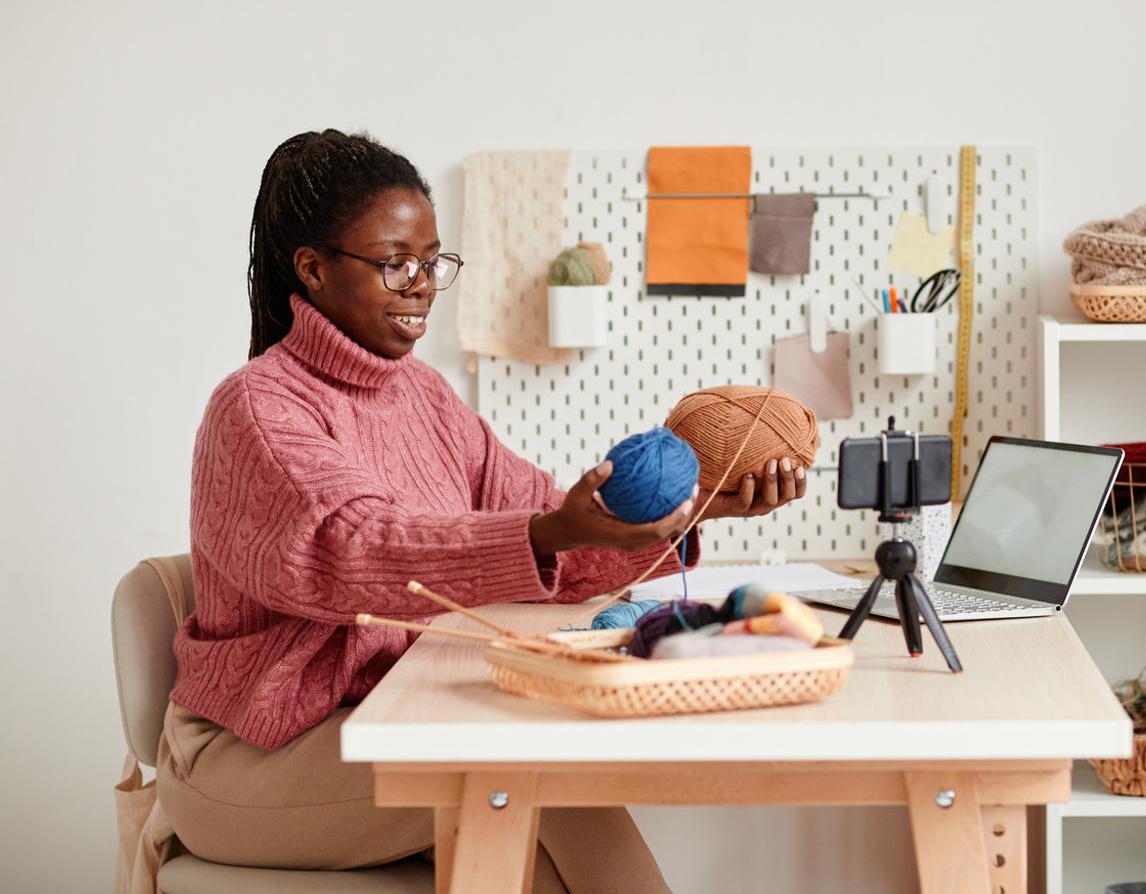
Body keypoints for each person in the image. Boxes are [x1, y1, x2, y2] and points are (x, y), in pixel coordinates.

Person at [156, 129, 808, 892]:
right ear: (313, 269)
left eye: (433, 262)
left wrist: (696, 509)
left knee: (536, 832)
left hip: (394, 716)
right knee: (531, 779)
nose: (423, 284)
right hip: (252, 758)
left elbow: (548, 526)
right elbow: (353, 547)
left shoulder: (424, 396)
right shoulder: (258, 409)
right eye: (396, 262)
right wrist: (545, 532)